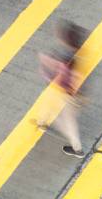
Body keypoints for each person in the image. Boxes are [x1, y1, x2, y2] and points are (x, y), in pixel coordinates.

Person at [36, 20, 87, 158]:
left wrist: (45, 61)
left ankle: (77, 149)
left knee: (65, 121)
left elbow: (60, 69)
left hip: (68, 93)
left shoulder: (68, 56)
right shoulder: (78, 53)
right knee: (59, 112)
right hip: (74, 92)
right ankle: (42, 122)